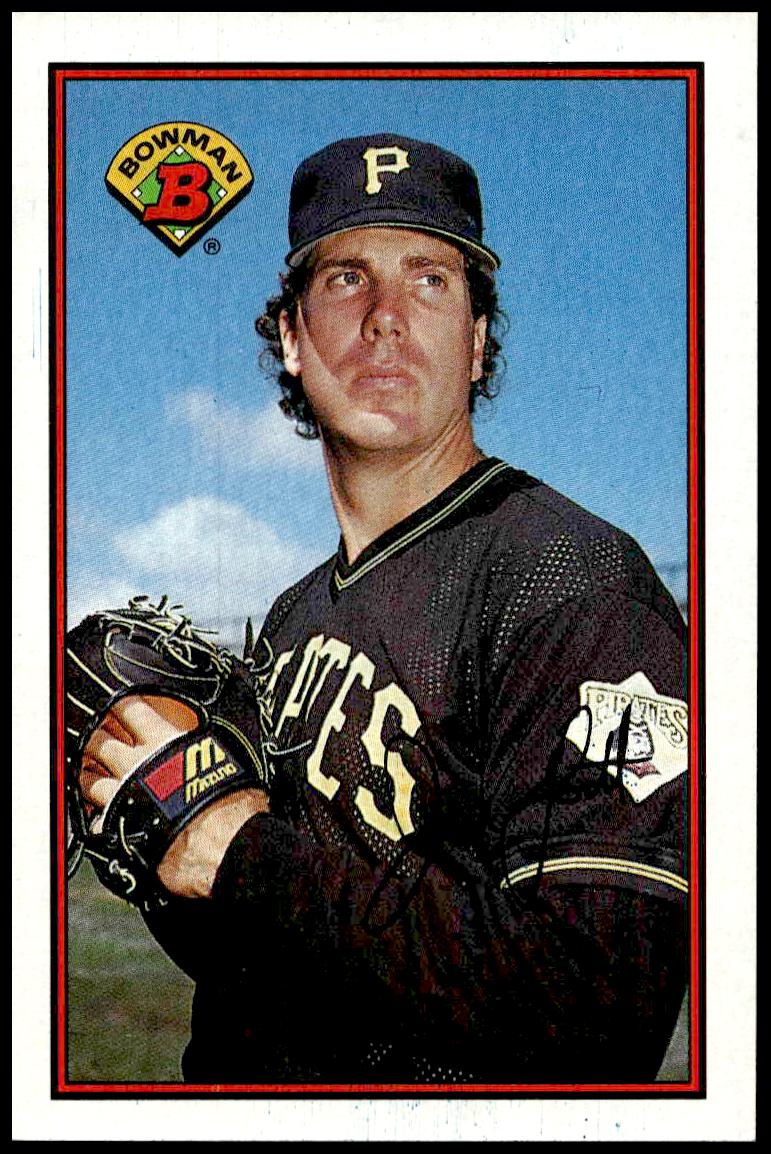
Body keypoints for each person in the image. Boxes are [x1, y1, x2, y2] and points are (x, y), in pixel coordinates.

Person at [78, 134, 689, 1085]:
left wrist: (238, 852)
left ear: (476, 341)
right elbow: (275, 955)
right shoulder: (292, 614)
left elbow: (600, 1009)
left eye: (430, 280)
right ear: (292, 338)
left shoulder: (573, 581)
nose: (385, 318)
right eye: (346, 278)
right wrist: (159, 838)